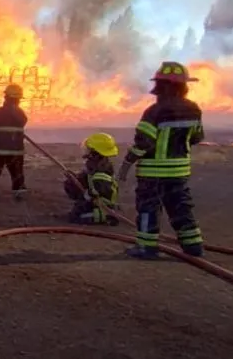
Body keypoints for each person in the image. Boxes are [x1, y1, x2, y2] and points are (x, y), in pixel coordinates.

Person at [117, 61, 205, 258]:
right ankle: (193, 246)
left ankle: (146, 247)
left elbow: (143, 143)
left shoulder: (155, 111)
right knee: (181, 208)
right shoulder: (194, 109)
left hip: (152, 173)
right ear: (183, 86)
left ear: (160, 86)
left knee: (148, 209)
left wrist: (127, 163)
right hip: (179, 171)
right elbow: (197, 137)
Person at [63, 132, 120, 225]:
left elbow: (99, 192)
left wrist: (85, 197)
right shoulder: (96, 166)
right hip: (94, 202)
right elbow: (86, 179)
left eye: (89, 149)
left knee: (75, 217)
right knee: (70, 185)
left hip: (101, 206)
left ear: (95, 153)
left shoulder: (101, 174)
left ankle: (107, 217)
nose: (86, 152)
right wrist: (73, 178)